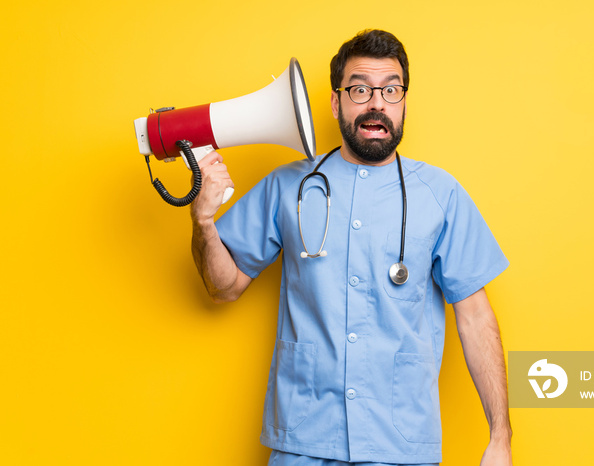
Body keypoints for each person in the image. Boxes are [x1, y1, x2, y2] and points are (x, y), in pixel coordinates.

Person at [190, 29, 513, 466]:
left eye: (391, 90)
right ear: (336, 102)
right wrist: (204, 221)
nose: (376, 103)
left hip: (400, 444)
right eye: (360, 89)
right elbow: (223, 287)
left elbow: (475, 317)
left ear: (403, 102)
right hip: (304, 440)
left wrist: (500, 438)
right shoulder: (289, 185)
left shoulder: (441, 193)